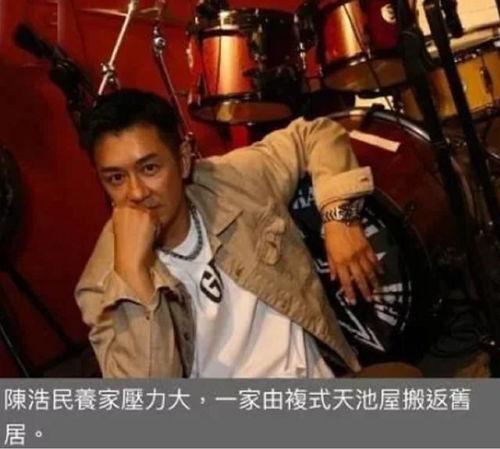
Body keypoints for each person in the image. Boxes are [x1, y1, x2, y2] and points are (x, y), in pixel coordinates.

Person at [75, 88, 409, 378]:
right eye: (116, 178)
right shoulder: (100, 284)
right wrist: (134, 277)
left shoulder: (232, 182)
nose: (135, 193)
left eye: (149, 168)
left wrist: (339, 217)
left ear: (184, 160)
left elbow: (314, 134)